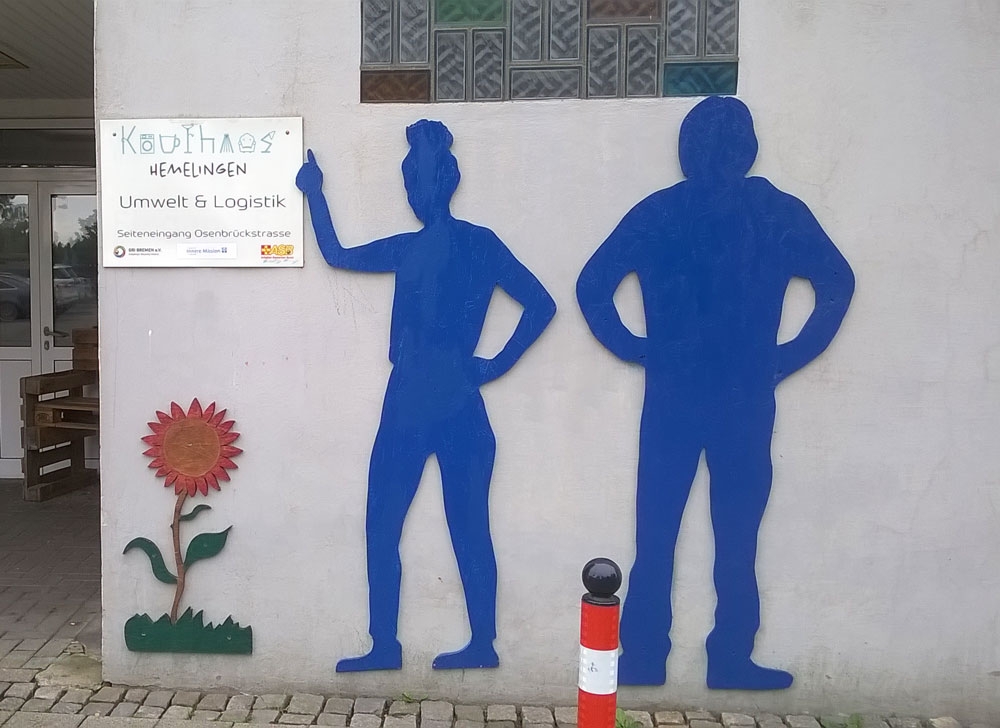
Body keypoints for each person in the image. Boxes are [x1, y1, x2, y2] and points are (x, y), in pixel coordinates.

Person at [576, 97, 855, 690]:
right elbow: (836, 281)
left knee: (673, 532)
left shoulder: (669, 211)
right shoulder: (770, 211)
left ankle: (659, 656)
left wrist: (637, 347)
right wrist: (785, 356)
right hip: (732, 393)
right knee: (722, 535)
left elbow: (593, 285)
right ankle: (709, 656)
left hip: (696, 394)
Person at [296, 119, 556, 672]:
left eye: (415, 179)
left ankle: (461, 643)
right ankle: (400, 645)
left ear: (438, 183)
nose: (412, 191)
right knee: (422, 524)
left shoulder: (452, 246)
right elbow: (339, 254)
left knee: (429, 525)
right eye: (409, 180)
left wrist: (497, 363)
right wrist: (314, 194)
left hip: (431, 401)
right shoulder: (447, 245)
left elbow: (541, 304)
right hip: (433, 399)